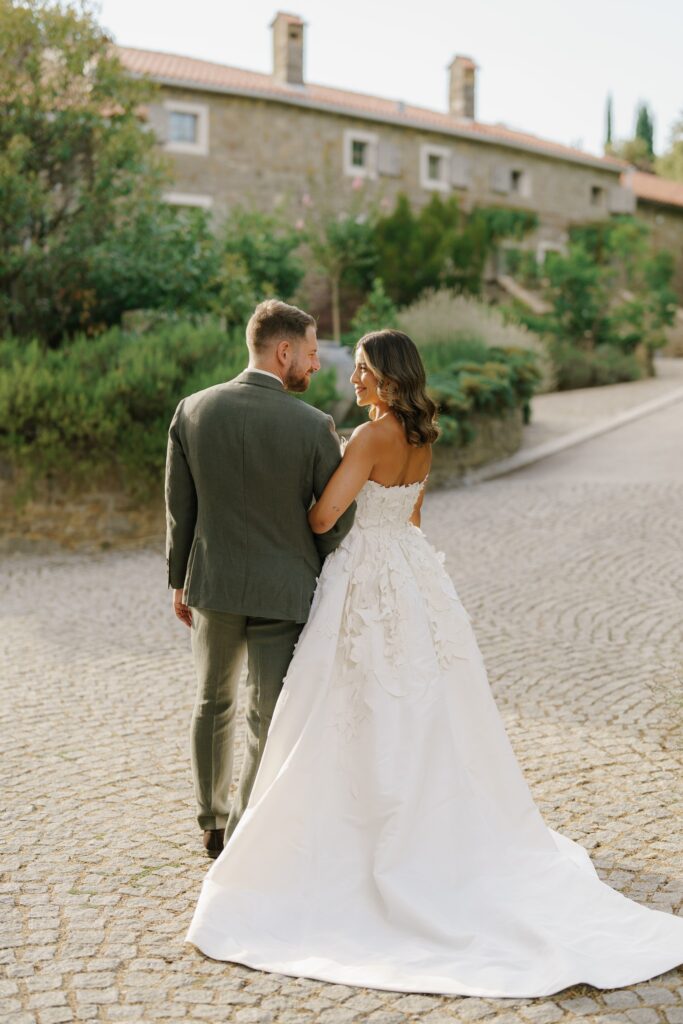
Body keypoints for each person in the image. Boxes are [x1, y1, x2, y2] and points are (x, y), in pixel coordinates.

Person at [184, 329, 683, 997]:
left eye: (363, 371)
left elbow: (325, 517)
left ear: (389, 377)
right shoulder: (421, 436)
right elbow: (413, 516)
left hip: (365, 574)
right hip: (411, 572)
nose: (354, 380)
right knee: (420, 700)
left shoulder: (368, 437)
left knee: (349, 697)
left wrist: (289, 508)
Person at [164, 299, 356, 860]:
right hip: (286, 591)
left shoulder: (192, 411)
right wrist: (317, 565)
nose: (316, 364)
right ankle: (246, 826)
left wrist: (179, 579)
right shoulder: (313, 425)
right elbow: (336, 519)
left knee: (211, 701)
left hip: (214, 584)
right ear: (284, 350)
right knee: (265, 713)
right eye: (312, 353)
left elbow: (180, 507)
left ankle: (211, 821)